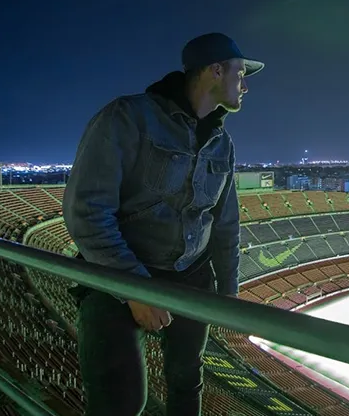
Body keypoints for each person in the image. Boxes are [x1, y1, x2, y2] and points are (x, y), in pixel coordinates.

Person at [63, 33, 264, 416]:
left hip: (191, 277)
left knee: (188, 384)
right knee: (120, 402)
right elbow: (86, 211)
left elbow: (225, 223)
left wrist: (229, 294)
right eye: (240, 73)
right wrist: (135, 290)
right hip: (116, 277)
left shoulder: (223, 143)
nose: (246, 84)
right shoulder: (127, 117)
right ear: (215, 71)